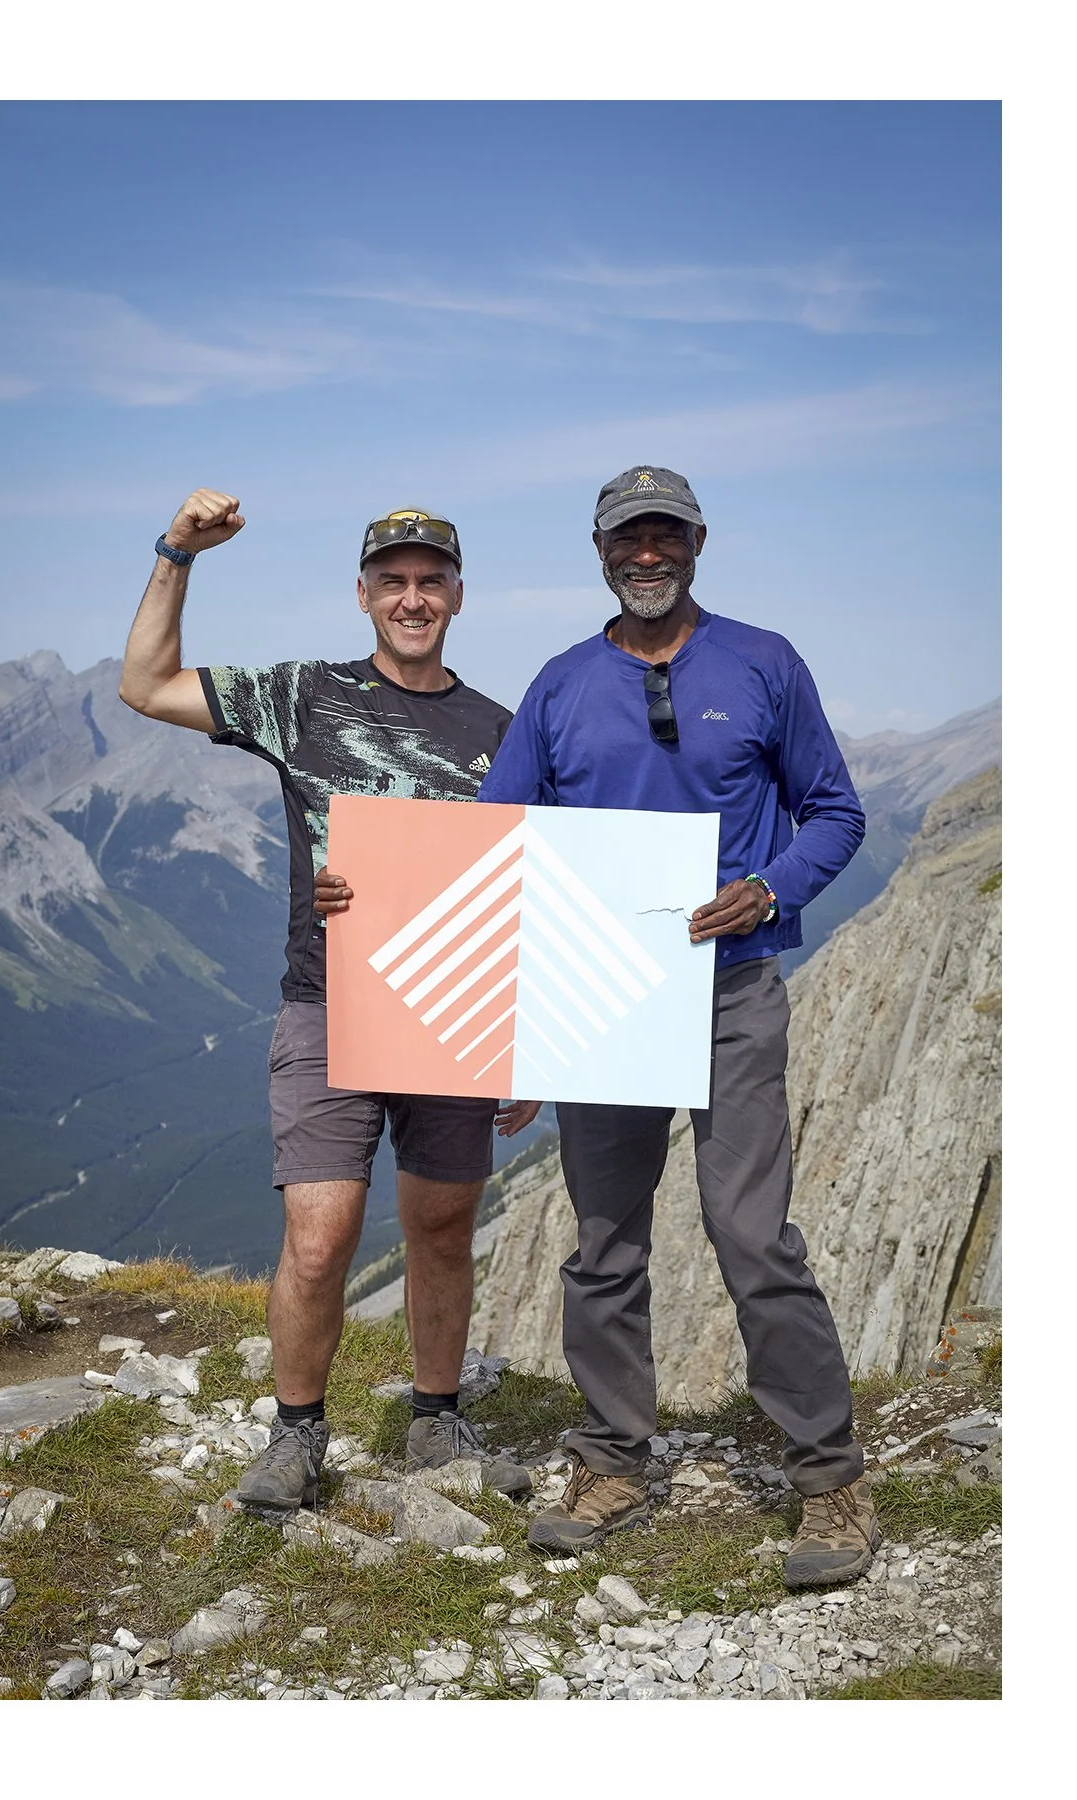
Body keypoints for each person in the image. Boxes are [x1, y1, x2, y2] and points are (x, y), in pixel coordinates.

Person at [317, 465, 879, 1588]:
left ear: (697, 543)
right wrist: (366, 899)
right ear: (601, 552)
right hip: (600, 994)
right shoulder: (563, 687)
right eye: (630, 540)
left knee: (751, 1235)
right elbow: (491, 852)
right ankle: (614, 1457)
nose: (649, 555)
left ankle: (829, 1478)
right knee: (605, 1241)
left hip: (732, 988)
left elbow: (836, 812)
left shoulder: (764, 662)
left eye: (666, 536)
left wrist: (767, 890)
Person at [119, 489, 539, 1517]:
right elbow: (144, 684)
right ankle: (297, 1432)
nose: (411, 597)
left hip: (453, 1012)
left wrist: (529, 1045)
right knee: (319, 1234)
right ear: (363, 595)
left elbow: (532, 886)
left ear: (456, 596)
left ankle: (436, 1417)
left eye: (429, 581)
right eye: (391, 582)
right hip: (326, 1002)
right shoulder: (303, 694)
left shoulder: (503, 732)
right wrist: (178, 551)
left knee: (442, 1223)